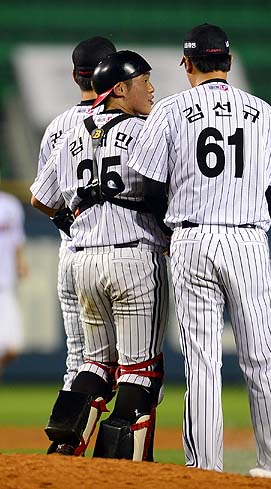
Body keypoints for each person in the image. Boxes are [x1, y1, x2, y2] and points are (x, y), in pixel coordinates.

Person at [127, 23, 271, 480]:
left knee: (202, 362)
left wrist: (172, 232)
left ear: (187, 63)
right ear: (227, 61)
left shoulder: (169, 110)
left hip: (191, 239)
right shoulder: (263, 111)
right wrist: (250, 220)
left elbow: (149, 187)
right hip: (246, 240)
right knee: (262, 357)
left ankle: (205, 470)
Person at [30, 50, 169, 461]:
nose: (152, 89)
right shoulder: (146, 131)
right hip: (134, 257)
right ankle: (119, 467)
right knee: (140, 371)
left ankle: (65, 445)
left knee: (94, 364)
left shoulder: (71, 134)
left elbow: (41, 198)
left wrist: (75, 220)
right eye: (144, 81)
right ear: (120, 89)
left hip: (84, 260)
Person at [38, 36, 116, 392]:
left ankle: (67, 427)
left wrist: (70, 223)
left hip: (72, 255)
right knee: (136, 362)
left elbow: (44, 197)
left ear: (75, 75)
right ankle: (127, 429)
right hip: (123, 252)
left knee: (79, 362)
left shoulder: (58, 127)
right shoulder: (129, 121)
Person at [0, 190, 28, 376]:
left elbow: (17, 240)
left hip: (5, 287)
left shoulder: (10, 204)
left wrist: (20, 262)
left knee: (14, 345)